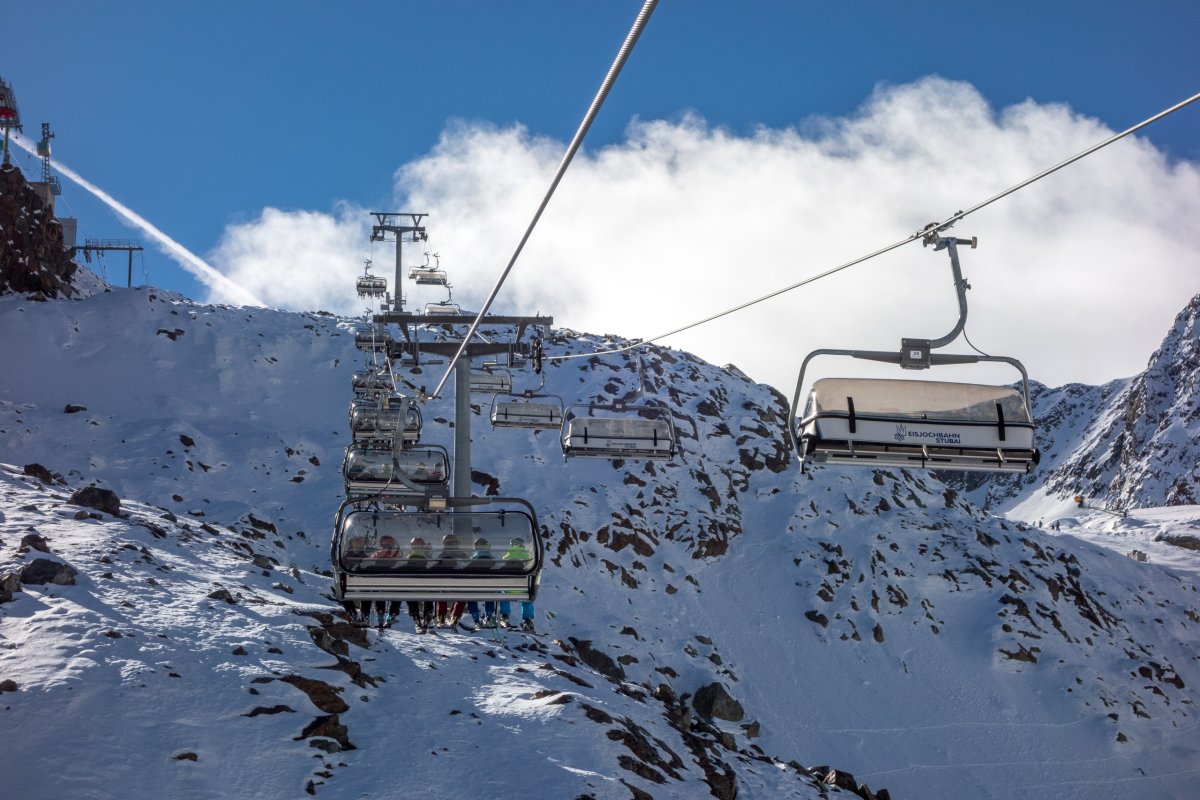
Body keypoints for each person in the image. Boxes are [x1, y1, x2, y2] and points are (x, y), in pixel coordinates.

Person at [499, 537, 536, 633]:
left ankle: (504, 617)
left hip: (509, 589)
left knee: (503, 595)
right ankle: (527, 620)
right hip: (523, 589)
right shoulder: (527, 555)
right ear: (522, 545)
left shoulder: (507, 556)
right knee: (527, 600)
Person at [434, 534, 468, 627]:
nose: (449, 544)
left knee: (457, 598)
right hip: (449, 580)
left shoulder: (458, 553)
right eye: (447, 542)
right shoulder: (443, 554)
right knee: (444, 598)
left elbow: (467, 563)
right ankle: (446, 618)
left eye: (451, 542)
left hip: (455, 580)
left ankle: (451, 617)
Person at [369, 535, 402, 627]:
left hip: (380, 580)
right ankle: (391, 615)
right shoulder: (396, 554)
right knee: (396, 597)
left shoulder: (377, 554)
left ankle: (381, 614)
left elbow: (370, 563)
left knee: (380, 596)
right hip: (392, 580)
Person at [465, 537, 497, 628]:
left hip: (475, 587)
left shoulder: (473, 559)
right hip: (489, 587)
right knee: (490, 596)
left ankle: (475, 617)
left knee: (471, 597)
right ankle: (489, 616)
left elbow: (466, 570)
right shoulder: (493, 559)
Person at [406, 537, 435, 632]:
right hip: (425, 582)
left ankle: (417, 619)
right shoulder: (426, 555)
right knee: (427, 599)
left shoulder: (410, 555)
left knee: (412, 600)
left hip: (413, 582)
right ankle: (427, 617)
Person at [340, 535, 370, 625]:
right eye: (357, 542)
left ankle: (365, 616)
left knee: (366, 595)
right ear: (352, 543)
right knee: (345, 595)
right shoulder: (347, 555)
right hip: (350, 579)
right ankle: (353, 615)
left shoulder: (365, 555)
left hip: (362, 580)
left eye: (361, 542)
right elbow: (343, 566)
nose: (359, 544)